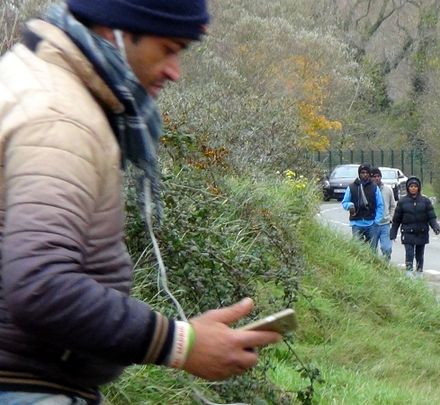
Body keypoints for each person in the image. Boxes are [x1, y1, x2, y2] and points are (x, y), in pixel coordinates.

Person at [0, 1, 281, 403]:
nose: (174, 72)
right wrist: (179, 344)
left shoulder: (35, 78)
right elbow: (41, 284)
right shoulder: (60, 117)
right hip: (24, 385)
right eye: (167, 49)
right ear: (114, 28)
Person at [390, 177, 440, 277]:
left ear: (419, 188)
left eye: (415, 186)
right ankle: (408, 273)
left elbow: (431, 216)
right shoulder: (402, 201)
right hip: (408, 232)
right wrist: (393, 232)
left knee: (419, 254)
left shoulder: (425, 201)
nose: (413, 188)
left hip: (422, 232)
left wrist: (435, 226)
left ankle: (419, 273)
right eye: (411, 186)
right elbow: (396, 219)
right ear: (408, 188)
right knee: (409, 253)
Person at [341, 163, 384, 243]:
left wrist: (377, 221)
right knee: (357, 249)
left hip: (371, 223)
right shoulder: (351, 187)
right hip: (356, 223)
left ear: (369, 174)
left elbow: (380, 205)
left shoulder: (374, 187)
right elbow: (344, 202)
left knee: (372, 249)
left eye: (367, 173)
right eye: (362, 173)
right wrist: (349, 205)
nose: (365, 175)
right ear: (359, 174)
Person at [369, 167, 396, 261]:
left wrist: (391, 217)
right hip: (372, 224)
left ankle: (386, 265)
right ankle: (374, 269)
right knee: (371, 250)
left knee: (387, 248)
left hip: (385, 223)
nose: (376, 178)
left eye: (378, 176)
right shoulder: (368, 190)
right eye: (374, 176)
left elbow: (392, 205)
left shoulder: (388, 189)